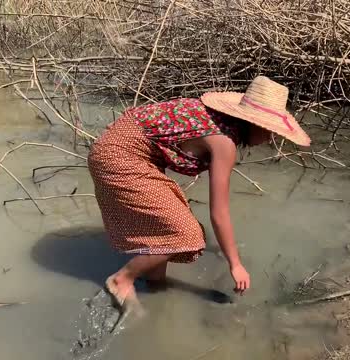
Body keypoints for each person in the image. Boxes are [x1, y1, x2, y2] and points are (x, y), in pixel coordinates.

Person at [87, 76, 311, 317]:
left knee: (166, 228)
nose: (270, 139)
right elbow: (219, 212)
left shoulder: (220, 120)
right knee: (186, 234)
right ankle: (122, 279)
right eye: (269, 131)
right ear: (251, 122)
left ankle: (156, 286)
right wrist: (235, 264)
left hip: (123, 146)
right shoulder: (224, 143)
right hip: (118, 155)